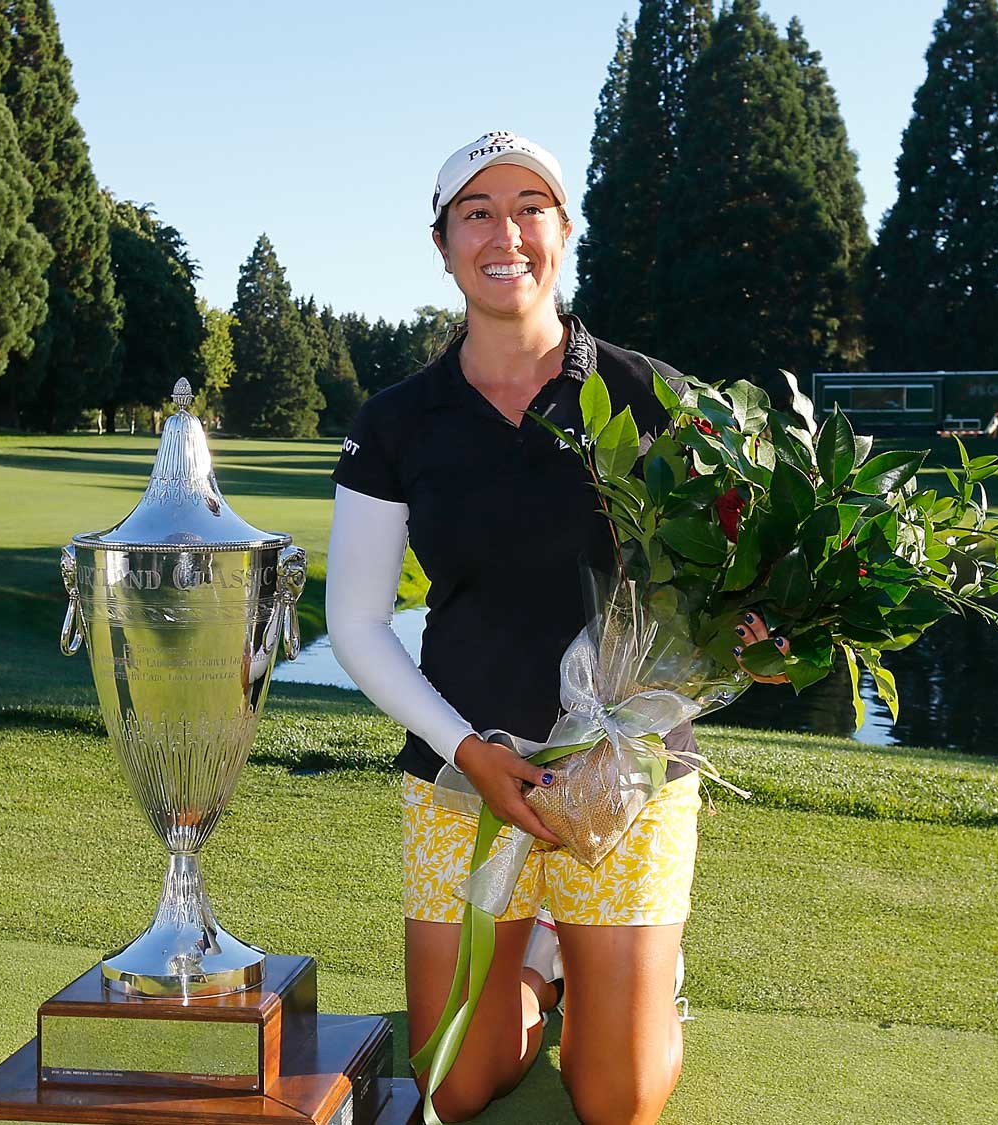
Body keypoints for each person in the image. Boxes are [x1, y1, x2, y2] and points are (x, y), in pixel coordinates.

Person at [327, 130, 783, 1125]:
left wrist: (763, 627)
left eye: (529, 207)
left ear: (563, 230)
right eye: (476, 212)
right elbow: (355, 622)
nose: (506, 233)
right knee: (456, 1084)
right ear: (442, 244)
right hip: (463, 777)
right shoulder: (398, 421)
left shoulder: (653, 395)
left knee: (614, 1101)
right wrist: (468, 752)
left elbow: (740, 567)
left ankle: (626, 984)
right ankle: (543, 970)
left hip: (628, 779)